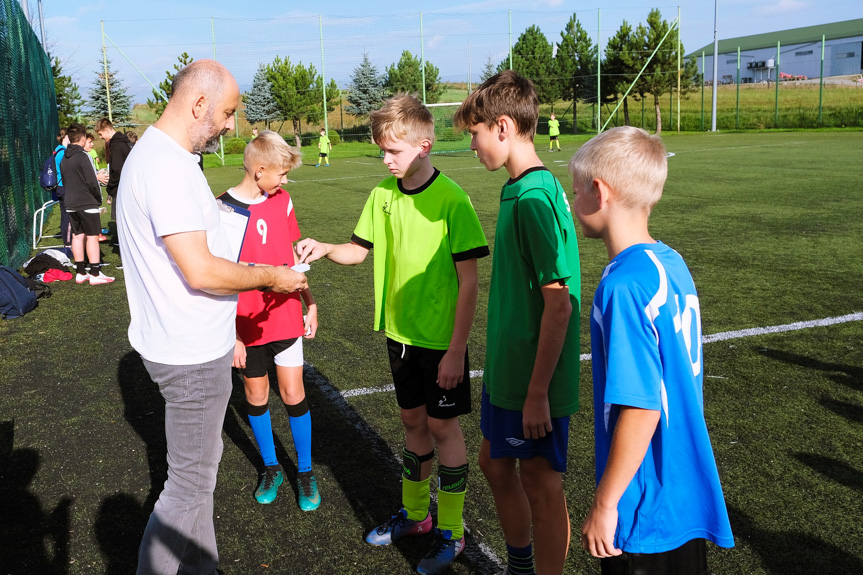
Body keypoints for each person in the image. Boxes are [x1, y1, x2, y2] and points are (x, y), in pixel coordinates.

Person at [116, 59, 308, 575]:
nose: (229, 125)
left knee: (198, 483)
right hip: (190, 355)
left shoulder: (161, 156)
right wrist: (271, 276)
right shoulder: (166, 167)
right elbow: (200, 270)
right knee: (187, 487)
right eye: (225, 113)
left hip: (184, 346)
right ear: (198, 104)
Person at [297, 94, 489, 575]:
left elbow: (470, 280)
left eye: (393, 151)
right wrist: (324, 247)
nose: (385, 159)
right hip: (399, 335)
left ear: (423, 146)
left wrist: (456, 350)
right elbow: (359, 252)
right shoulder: (383, 195)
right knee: (412, 423)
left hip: (442, 343)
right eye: (382, 150)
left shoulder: (453, 200)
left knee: (445, 429)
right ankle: (416, 515)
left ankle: (451, 530)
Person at [570, 126, 734, 574]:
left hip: (644, 502)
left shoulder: (623, 286)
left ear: (599, 192)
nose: (570, 201)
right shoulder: (670, 261)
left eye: (575, 189)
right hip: (681, 491)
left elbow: (641, 409)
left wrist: (606, 504)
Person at [453, 70, 581, 575]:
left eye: (475, 134)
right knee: (493, 463)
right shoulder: (523, 187)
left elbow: (559, 304)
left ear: (502, 127)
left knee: (542, 483)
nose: (472, 145)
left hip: (532, 378)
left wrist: (537, 392)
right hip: (509, 368)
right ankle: (521, 565)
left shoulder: (532, 199)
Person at [217, 130, 322, 511]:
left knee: (294, 393)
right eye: (280, 173)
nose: (285, 181)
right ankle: (272, 467)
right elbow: (218, 280)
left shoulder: (283, 201)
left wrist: (308, 301)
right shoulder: (221, 211)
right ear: (259, 170)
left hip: (286, 316)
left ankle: (306, 472)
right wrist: (232, 336)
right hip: (245, 324)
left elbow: (293, 262)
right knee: (256, 395)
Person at [59, 123, 113, 285]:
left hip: (70, 202)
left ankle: (81, 272)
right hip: (86, 202)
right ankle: (95, 274)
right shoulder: (84, 156)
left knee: (77, 236)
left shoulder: (63, 157)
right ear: (82, 139)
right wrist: (98, 198)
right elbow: (91, 182)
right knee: (92, 237)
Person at [96, 117, 133, 226]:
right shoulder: (126, 142)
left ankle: (123, 243)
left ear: (107, 130)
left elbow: (117, 170)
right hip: (129, 186)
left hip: (120, 188)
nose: (100, 137)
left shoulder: (116, 145)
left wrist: (110, 187)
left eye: (100, 134)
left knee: (120, 219)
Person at [53, 129, 71, 251]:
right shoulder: (63, 152)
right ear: (66, 137)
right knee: (68, 216)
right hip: (63, 187)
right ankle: (68, 244)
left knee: (66, 215)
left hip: (60, 187)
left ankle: (68, 242)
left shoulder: (58, 150)